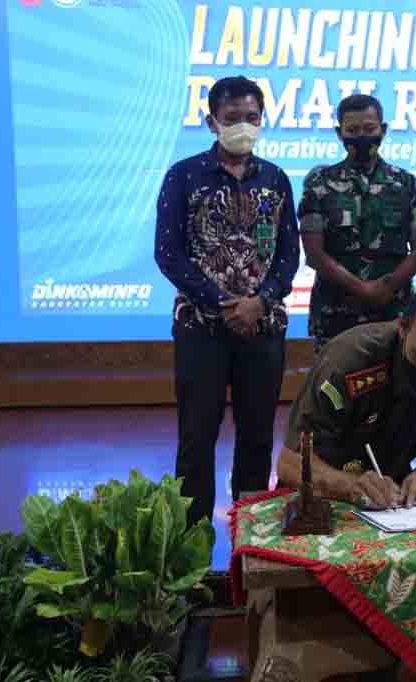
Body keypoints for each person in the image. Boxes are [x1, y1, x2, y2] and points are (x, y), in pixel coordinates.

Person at [155, 75, 300, 526]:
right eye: (232, 117)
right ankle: (191, 545)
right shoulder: (184, 175)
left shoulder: (275, 179)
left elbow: (288, 254)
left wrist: (260, 301)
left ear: (262, 120)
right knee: (197, 438)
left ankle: (250, 538)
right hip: (201, 329)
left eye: (251, 117)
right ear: (211, 122)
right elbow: (168, 253)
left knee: (257, 437)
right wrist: (222, 302)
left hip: (263, 327)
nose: (243, 126)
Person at [275, 278, 416, 510]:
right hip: (318, 492)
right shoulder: (349, 361)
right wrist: (349, 486)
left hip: (390, 497)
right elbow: (290, 463)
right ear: (402, 326)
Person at [300, 94, 416, 354]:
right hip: (335, 314)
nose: (362, 136)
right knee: (334, 379)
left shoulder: (408, 184)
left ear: (383, 130)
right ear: (339, 133)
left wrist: (386, 288)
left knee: (396, 379)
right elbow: (314, 253)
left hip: (394, 312)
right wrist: (362, 289)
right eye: (353, 130)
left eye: (369, 129)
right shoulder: (318, 183)